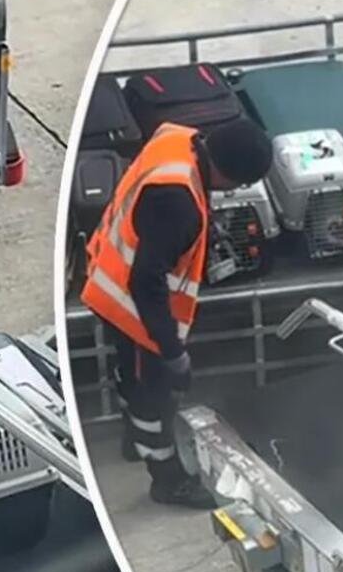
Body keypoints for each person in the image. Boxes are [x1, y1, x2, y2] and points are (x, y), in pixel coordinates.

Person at [81, 118, 273, 508]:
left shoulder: (176, 138)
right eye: (234, 185)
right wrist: (171, 350)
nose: (231, 192)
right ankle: (167, 479)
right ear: (226, 171)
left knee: (130, 374)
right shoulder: (179, 204)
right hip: (132, 309)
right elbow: (146, 283)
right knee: (154, 394)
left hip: (107, 273)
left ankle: (134, 439)